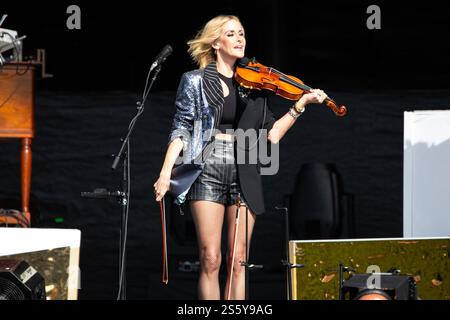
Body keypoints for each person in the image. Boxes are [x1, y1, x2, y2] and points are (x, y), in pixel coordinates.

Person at [153, 15, 327, 300]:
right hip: (207, 165)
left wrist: (300, 105)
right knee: (211, 258)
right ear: (215, 43)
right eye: (231, 34)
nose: (239, 39)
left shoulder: (255, 84)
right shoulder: (194, 81)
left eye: (242, 33)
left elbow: (272, 135)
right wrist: (165, 172)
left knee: (239, 259)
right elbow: (182, 128)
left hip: (245, 165)